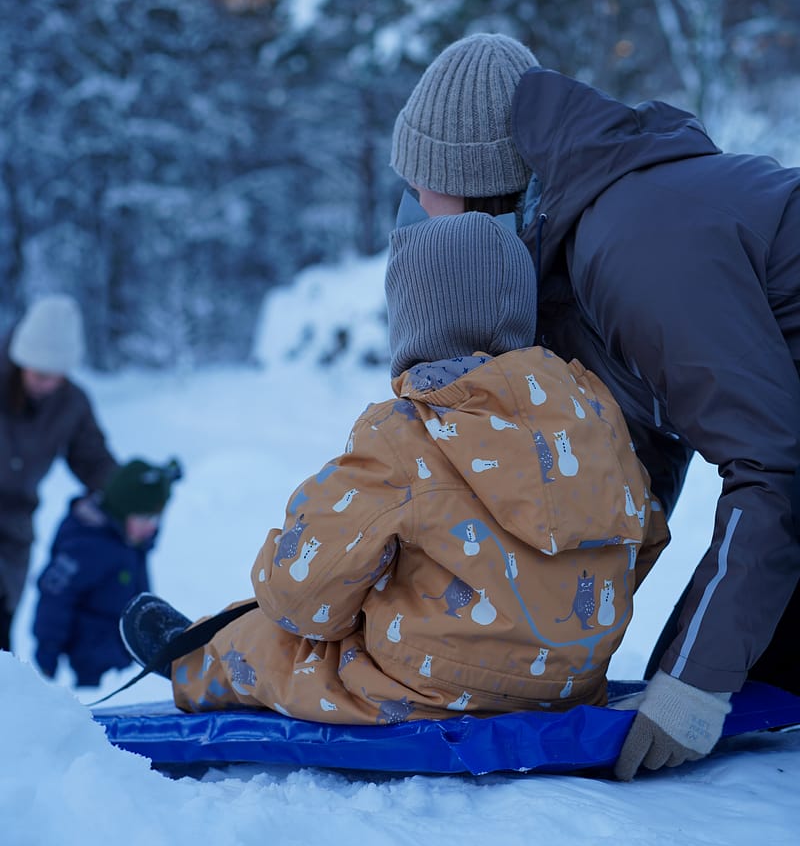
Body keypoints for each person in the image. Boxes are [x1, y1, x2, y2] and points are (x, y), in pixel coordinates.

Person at [388, 32, 800, 778]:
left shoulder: (641, 238)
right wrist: (533, 637)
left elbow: (774, 466)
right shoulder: (581, 254)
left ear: (476, 185)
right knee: (766, 667)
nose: (412, 209)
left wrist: (691, 688)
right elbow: (626, 480)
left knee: (728, 672)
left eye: (420, 187)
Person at [120, 211, 668, 726]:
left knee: (275, 643)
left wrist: (355, 614)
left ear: (415, 323)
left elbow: (300, 595)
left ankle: (189, 661)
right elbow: (646, 535)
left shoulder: (407, 433)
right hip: (570, 683)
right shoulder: (594, 417)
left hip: (431, 689)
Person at [0, 295, 117, 654]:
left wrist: (130, 496)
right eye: (37, 373)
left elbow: (93, 461)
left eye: (54, 376)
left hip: (14, 531)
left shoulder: (72, 403)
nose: (44, 383)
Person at [32, 457, 182, 687]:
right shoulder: (87, 546)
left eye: (155, 519)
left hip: (121, 654)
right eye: (144, 518)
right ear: (121, 512)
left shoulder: (130, 541)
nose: (151, 526)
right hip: (87, 662)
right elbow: (55, 597)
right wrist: (47, 655)